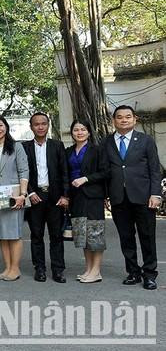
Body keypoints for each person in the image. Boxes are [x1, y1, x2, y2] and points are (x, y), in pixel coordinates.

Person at [102, 105, 162, 290]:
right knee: (126, 237)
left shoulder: (145, 140)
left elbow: (155, 169)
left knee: (147, 237)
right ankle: (133, 272)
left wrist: (156, 194)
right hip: (119, 198)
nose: (124, 120)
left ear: (135, 119)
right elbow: (105, 170)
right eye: (119, 117)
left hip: (143, 197)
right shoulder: (106, 142)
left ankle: (149, 274)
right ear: (114, 121)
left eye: (128, 116)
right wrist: (106, 195)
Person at [22, 112, 69, 283]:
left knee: (56, 235)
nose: (40, 127)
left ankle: (58, 270)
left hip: (55, 197)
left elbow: (65, 172)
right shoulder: (24, 147)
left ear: (48, 125)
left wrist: (65, 195)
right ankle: (39, 269)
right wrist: (30, 192)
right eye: (36, 124)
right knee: (36, 235)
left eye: (43, 123)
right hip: (35, 196)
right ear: (31, 127)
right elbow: (22, 172)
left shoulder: (57, 145)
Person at [0, 115, 29, 281]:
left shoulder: (16, 146)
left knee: (14, 232)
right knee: (2, 233)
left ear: (6, 127)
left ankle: (15, 269)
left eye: (0, 125)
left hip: (12, 192)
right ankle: (7, 267)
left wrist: (22, 194)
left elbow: (24, 171)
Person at [66, 118, 107, 284]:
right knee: (82, 234)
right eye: (76, 130)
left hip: (93, 196)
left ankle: (96, 271)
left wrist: (86, 179)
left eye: (83, 129)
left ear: (89, 132)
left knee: (95, 234)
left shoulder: (97, 150)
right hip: (76, 197)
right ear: (72, 133)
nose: (79, 132)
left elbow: (105, 172)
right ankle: (88, 269)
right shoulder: (68, 151)